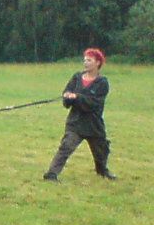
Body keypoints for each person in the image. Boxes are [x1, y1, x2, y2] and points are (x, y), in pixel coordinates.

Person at [43, 48, 116, 182]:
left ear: (98, 63)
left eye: (89, 60)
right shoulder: (76, 78)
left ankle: (102, 171)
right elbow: (67, 95)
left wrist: (77, 97)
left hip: (94, 125)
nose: (85, 63)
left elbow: (94, 103)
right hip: (76, 122)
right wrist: (67, 96)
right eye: (84, 60)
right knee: (66, 147)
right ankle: (51, 174)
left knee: (101, 151)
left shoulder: (102, 83)